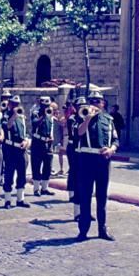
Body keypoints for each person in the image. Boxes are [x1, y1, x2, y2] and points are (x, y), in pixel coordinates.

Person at [75, 90, 119, 242]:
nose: (94, 104)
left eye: (97, 102)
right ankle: (83, 230)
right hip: (86, 160)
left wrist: (111, 149)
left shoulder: (108, 119)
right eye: (92, 101)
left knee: (102, 196)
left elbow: (115, 140)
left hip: (103, 160)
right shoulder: (82, 117)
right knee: (85, 196)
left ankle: (102, 229)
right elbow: (79, 134)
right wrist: (87, 119)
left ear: (103, 103)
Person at [1, 95, 31, 209]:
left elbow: (26, 132)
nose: (16, 106)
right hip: (10, 148)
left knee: (22, 173)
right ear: (9, 104)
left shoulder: (22, 117)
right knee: (9, 173)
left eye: (17, 104)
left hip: (21, 148)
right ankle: (7, 200)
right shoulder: (6, 115)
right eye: (13, 104)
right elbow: (7, 126)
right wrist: (13, 115)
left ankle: (20, 199)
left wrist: (27, 141)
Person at [30, 96, 55, 197]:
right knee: (36, 165)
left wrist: (51, 136)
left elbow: (51, 126)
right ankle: (36, 189)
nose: (47, 107)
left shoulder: (50, 115)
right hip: (37, 142)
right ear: (41, 105)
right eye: (45, 105)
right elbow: (34, 124)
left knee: (48, 166)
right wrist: (43, 116)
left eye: (48, 105)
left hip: (47, 143)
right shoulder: (35, 113)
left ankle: (44, 188)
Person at [53, 103, 66, 176]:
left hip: (60, 139)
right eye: (55, 113)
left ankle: (62, 169)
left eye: (58, 113)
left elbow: (62, 129)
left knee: (61, 153)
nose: (57, 114)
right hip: (54, 139)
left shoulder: (61, 120)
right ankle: (55, 168)